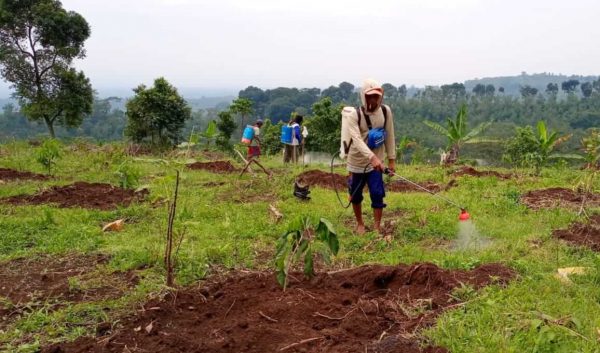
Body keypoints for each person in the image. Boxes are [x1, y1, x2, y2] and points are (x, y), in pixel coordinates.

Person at [340, 79, 396, 235]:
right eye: (369, 96)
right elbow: (357, 140)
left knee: (377, 193)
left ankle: (377, 226)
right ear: (363, 97)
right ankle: (360, 224)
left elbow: (389, 135)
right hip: (357, 162)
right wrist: (372, 158)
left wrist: (391, 159)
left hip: (375, 164)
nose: (373, 100)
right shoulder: (354, 115)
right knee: (356, 194)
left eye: (376, 97)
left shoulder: (385, 112)